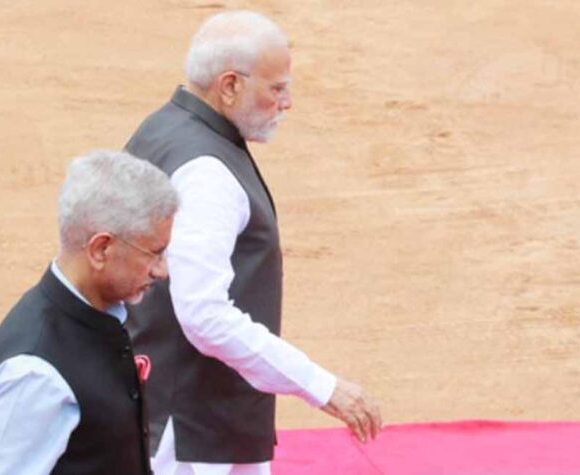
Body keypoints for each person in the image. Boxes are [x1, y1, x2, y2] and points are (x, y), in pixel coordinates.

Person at [125, 10, 382, 475]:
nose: (287, 103)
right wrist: (321, 386)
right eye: (277, 88)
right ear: (229, 86)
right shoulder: (208, 172)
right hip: (196, 431)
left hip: (172, 405)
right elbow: (204, 315)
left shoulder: (163, 128)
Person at [0, 150, 178, 475]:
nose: (162, 270)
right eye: (155, 253)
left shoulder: (100, 317)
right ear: (100, 249)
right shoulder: (34, 376)